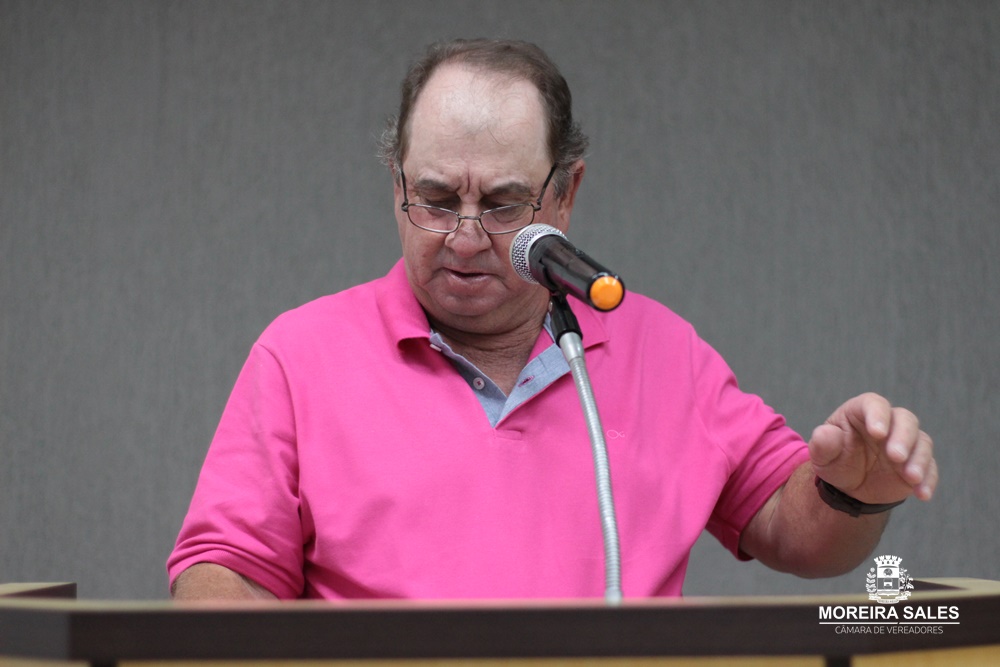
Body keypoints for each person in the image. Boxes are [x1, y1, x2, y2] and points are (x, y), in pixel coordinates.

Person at [168, 38, 937, 601]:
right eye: (435, 198)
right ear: (395, 184)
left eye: (503, 204)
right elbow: (221, 573)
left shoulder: (664, 353)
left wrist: (853, 491)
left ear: (565, 195)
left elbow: (794, 529)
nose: (464, 236)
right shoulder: (300, 356)